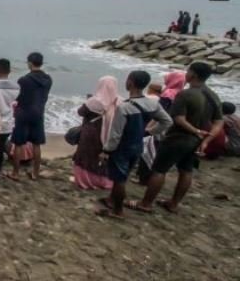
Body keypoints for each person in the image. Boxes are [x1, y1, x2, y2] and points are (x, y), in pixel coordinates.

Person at [128, 62, 223, 214]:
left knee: (159, 169)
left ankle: (145, 203)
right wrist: (205, 141)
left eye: (189, 70)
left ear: (193, 75)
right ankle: (173, 203)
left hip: (178, 138)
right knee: (186, 171)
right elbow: (219, 122)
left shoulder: (186, 94)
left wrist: (194, 130)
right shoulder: (213, 95)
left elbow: (178, 118)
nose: (187, 73)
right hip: (196, 141)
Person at [96, 71, 172, 218]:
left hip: (122, 148)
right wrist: (150, 132)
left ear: (130, 83)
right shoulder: (152, 103)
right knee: (124, 175)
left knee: (119, 180)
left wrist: (106, 150)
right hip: (138, 145)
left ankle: (117, 211)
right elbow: (167, 121)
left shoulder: (124, 107)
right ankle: (111, 200)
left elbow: (115, 134)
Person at [72, 76, 121, 190]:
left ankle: (84, 181)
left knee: (86, 156)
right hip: (109, 133)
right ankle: (103, 182)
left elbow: (81, 112)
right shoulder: (119, 101)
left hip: (91, 132)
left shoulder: (95, 101)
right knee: (102, 158)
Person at [10, 52, 52, 180]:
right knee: (36, 144)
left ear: (29, 63)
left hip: (23, 113)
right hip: (38, 112)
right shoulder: (48, 79)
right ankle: (35, 173)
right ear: (41, 63)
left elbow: (19, 97)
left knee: (18, 143)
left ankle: (16, 173)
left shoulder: (24, 80)